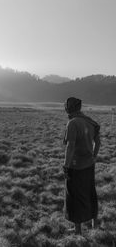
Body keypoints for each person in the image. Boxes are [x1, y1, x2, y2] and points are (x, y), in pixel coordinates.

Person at [63, 97, 100, 235]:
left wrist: (66, 166)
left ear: (69, 108)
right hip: (89, 165)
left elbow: (70, 146)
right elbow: (98, 142)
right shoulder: (89, 121)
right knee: (90, 191)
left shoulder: (72, 123)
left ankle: (77, 230)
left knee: (74, 196)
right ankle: (94, 224)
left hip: (75, 166)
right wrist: (94, 157)